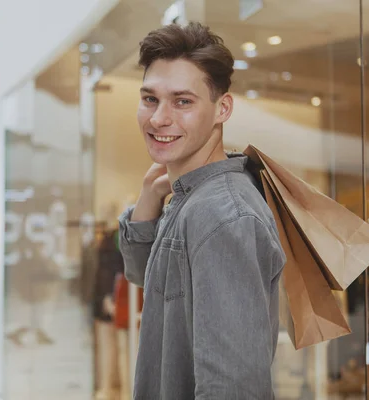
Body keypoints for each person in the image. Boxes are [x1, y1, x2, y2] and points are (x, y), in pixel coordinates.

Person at [118, 22, 286, 399]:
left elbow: (232, 387)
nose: (159, 118)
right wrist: (149, 196)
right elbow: (143, 274)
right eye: (150, 99)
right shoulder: (190, 199)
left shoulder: (222, 215)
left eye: (183, 101)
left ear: (222, 108)